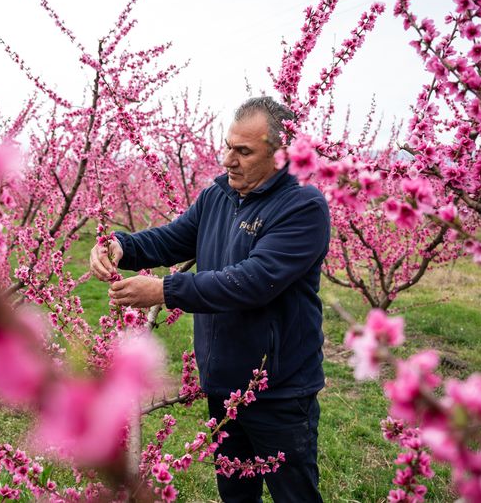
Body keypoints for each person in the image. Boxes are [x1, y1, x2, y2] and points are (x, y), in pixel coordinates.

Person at [90, 96, 330, 502]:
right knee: (234, 494)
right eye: (227, 147)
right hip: (224, 384)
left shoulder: (302, 206)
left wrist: (166, 291)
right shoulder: (219, 194)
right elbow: (174, 237)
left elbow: (254, 281)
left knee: (296, 496)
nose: (228, 160)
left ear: (279, 155)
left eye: (243, 151)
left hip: (279, 390)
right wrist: (121, 246)